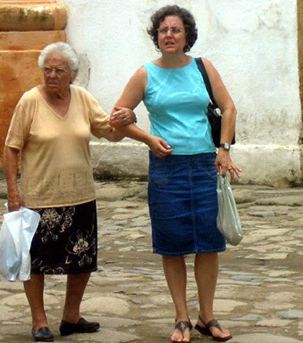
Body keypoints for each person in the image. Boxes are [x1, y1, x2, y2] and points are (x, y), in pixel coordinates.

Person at [111, 5, 241, 343]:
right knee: (172, 245)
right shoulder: (145, 74)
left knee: (208, 243)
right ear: (156, 37)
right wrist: (147, 138)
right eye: (163, 30)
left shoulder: (202, 67)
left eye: (176, 30)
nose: (169, 35)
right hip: (166, 169)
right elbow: (118, 119)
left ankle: (206, 316)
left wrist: (223, 148)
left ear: (186, 37)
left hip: (203, 164)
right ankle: (182, 317)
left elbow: (228, 107)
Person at [3, 42, 135, 342]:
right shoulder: (29, 101)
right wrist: (13, 192)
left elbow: (110, 132)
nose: (52, 75)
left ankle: (71, 316)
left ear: (72, 74)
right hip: (40, 198)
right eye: (47, 69)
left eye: (59, 70)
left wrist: (127, 120)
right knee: (36, 262)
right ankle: (39, 320)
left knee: (82, 260)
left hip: (80, 196)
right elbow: (11, 148)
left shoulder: (83, 98)